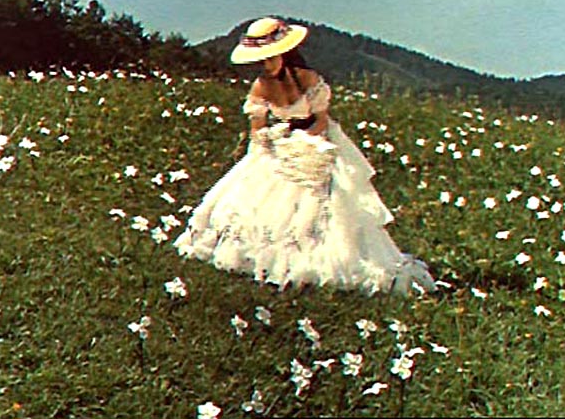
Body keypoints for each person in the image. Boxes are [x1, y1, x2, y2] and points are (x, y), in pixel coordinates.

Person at [173, 17, 435, 296]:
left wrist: (304, 141)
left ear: (285, 54)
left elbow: (321, 120)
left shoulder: (309, 80)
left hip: (315, 140)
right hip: (282, 144)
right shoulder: (261, 86)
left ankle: (324, 260)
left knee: (324, 203)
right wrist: (271, 140)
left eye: (271, 58)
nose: (267, 65)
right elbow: (257, 127)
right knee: (259, 201)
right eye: (262, 61)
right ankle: (266, 259)